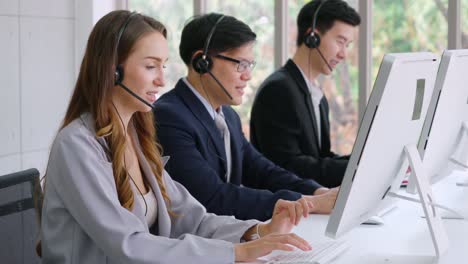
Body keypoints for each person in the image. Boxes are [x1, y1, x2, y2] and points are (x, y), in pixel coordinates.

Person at [40, 10, 314, 263]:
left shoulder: (135, 137)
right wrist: (235, 253)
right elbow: (127, 245)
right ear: (113, 70)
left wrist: (256, 231)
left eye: (163, 66)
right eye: (151, 66)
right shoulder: (77, 145)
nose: (161, 79)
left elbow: (190, 217)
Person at [153, 13, 338, 222]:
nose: (247, 75)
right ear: (201, 62)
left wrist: (318, 192)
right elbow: (211, 197)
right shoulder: (169, 117)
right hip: (195, 246)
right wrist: (303, 203)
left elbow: (261, 170)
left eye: (250, 65)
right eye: (240, 64)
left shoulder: (228, 116)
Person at [250, 0, 361, 188]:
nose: (343, 54)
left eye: (347, 45)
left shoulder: (316, 94)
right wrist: (358, 168)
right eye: (340, 42)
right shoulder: (278, 90)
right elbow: (288, 166)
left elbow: (320, 159)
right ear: (312, 37)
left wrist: (362, 162)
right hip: (286, 209)